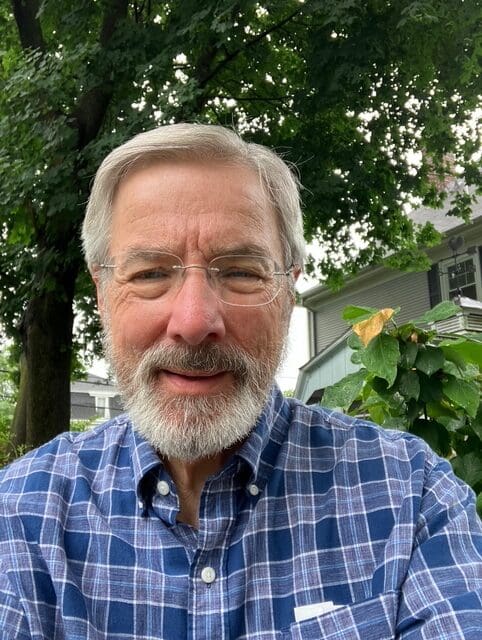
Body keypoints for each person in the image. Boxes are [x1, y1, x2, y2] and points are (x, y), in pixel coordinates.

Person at [0, 123, 480, 640]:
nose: (193, 321)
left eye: (240, 272)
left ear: (289, 292)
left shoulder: (411, 496)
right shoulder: (22, 515)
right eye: (151, 273)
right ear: (101, 294)